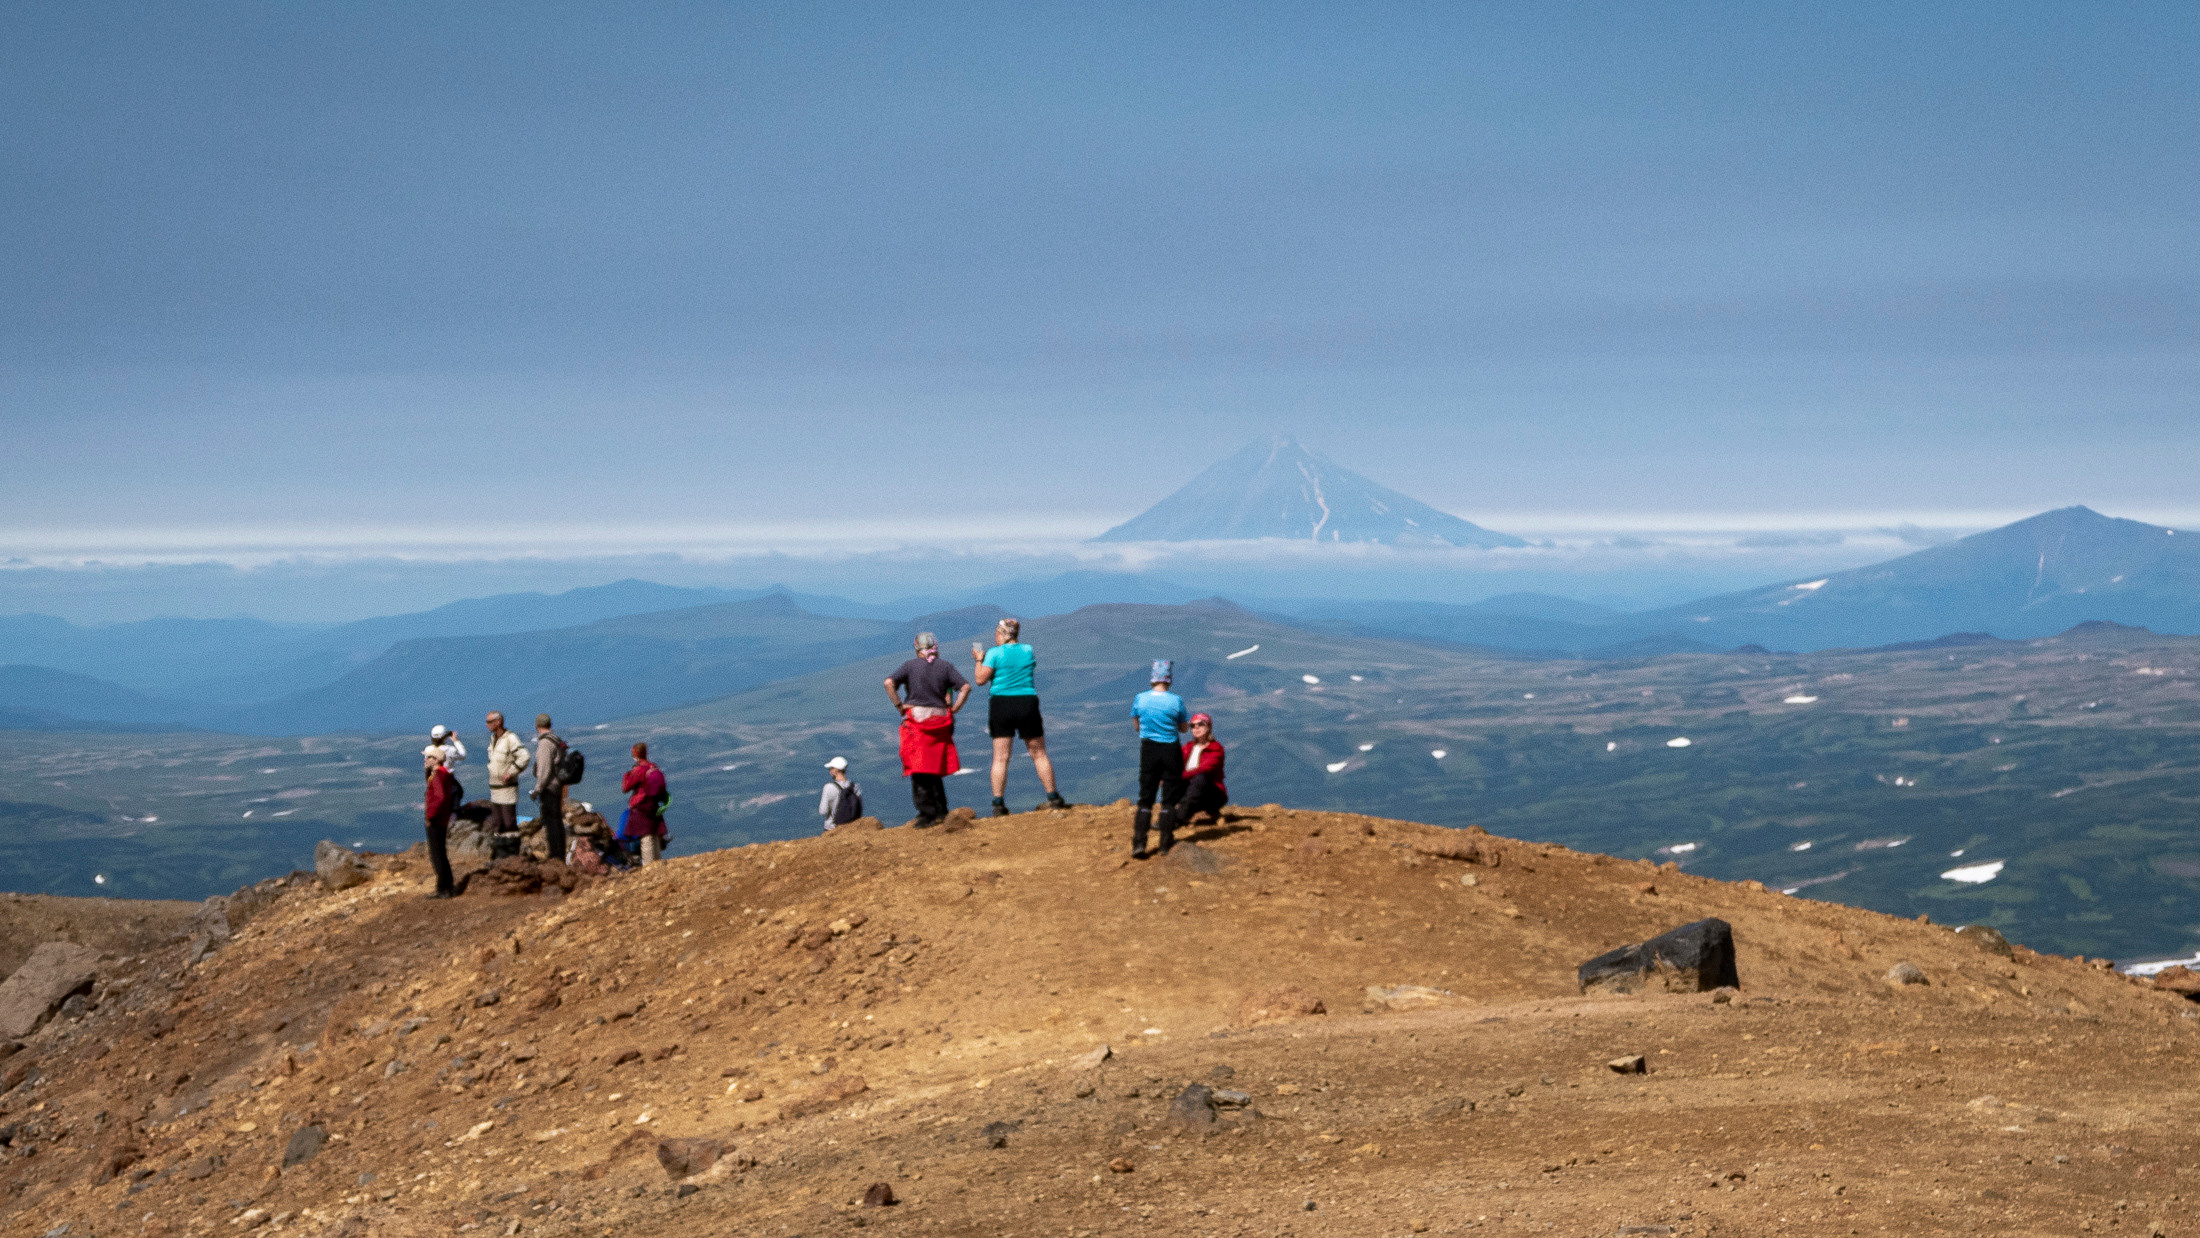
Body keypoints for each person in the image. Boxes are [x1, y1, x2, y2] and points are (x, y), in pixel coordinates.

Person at [972, 617, 1071, 816]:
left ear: (1002, 634)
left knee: (1000, 757)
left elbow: (980, 679)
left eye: (997, 633)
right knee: (1039, 753)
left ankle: (998, 804)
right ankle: (1053, 797)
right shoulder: (1028, 650)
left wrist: (978, 659)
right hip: (1027, 702)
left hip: (1001, 703)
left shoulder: (993, 653)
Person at [885, 632, 969, 827]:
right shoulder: (945, 666)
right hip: (941, 720)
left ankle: (926, 814)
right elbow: (965, 687)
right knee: (935, 766)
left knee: (919, 767)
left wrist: (899, 705)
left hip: (917, 720)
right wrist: (955, 708)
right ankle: (941, 810)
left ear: (917, 649)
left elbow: (888, 683)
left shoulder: (909, 666)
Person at [1130, 660, 1191, 859]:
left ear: (1152, 678)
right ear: (1169, 679)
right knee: (1169, 800)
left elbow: (1137, 725)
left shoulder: (1140, 698)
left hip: (1148, 749)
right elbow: (1183, 728)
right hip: (1170, 750)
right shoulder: (1176, 701)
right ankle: (1165, 843)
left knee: (1145, 798)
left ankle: (1139, 843)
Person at [482, 711, 531, 840]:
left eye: (489, 722)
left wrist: (511, 772)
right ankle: (501, 851)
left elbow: (524, 756)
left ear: (498, 722)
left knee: (509, 822)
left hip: (507, 788)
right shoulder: (493, 739)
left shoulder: (510, 738)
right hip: (495, 788)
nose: (487, 725)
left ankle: (512, 850)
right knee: (498, 823)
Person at [620, 741, 669, 864]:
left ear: (635, 754)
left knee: (645, 835)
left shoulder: (639, 770)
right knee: (654, 832)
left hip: (641, 804)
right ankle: (657, 861)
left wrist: (626, 776)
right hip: (654, 802)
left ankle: (649, 864)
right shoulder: (653, 766)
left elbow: (626, 788)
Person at [422, 745, 462, 898]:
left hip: (436, 820)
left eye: (430, 757)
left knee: (437, 854)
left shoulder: (438, 776)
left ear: (437, 759)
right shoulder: (444, 775)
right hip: (442, 819)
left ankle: (443, 888)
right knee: (441, 853)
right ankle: (447, 885)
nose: (426, 760)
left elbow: (439, 798)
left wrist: (430, 816)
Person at [1175, 712, 1229, 826]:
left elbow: (1205, 769)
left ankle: (1177, 818)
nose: (1196, 727)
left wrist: (1180, 776)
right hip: (1191, 791)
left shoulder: (1216, 749)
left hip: (1213, 794)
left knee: (1201, 778)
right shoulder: (1187, 748)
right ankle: (1174, 812)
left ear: (1208, 726)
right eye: (1192, 725)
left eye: (1200, 724)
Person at [533, 713, 569, 863]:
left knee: (551, 822)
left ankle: (555, 856)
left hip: (549, 787)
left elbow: (544, 769)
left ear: (537, 726)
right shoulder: (556, 739)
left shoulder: (545, 743)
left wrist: (538, 789)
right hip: (558, 786)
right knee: (557, 821)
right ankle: (560, 853)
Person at [819, 756, 864, 831]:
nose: (830, 771)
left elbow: (823, 811)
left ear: (835, 770)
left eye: (831, 768)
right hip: (852, 828)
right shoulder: (855, 787)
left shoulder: (829, 787)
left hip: (832, 828)